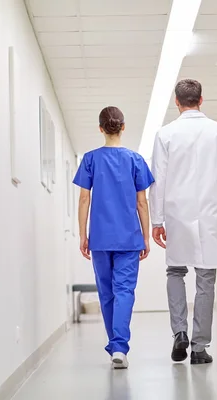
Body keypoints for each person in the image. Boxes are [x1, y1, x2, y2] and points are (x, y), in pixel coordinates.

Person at [149, 79, 217, 365]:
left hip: (176, 213)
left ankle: (179, 333)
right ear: (202, 99)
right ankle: (199, 348)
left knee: (175, 271)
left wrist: (157, 219)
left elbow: (158, 180)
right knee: (206, 279)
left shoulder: (166, 134)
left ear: (177, 101)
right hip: (211, 212)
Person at [74, 106, 154, 369]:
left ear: (100, 128)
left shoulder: (90, 159)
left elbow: (84, 198)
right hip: (129, 238)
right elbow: (142, 203)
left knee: (106, 293)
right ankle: (119, 347)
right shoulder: (135, 160)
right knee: (125, 291)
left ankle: (116, 348)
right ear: (123, 127)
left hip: (99, 238)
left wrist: (83, 234)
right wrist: (146, 237)